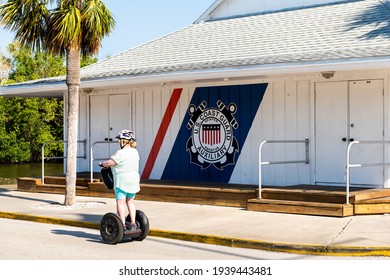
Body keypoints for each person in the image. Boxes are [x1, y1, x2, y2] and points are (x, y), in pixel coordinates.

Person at [99, 129, 140, 230]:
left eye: (120, 140)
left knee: (120, 203)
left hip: (122, 181)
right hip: (134, 180)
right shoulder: (135, 152)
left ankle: (122, 225)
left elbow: (110, 163)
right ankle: (134, 223)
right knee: (130, 202)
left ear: (123, 141)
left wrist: (102, 163)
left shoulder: (120, 153)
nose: (119, 142)